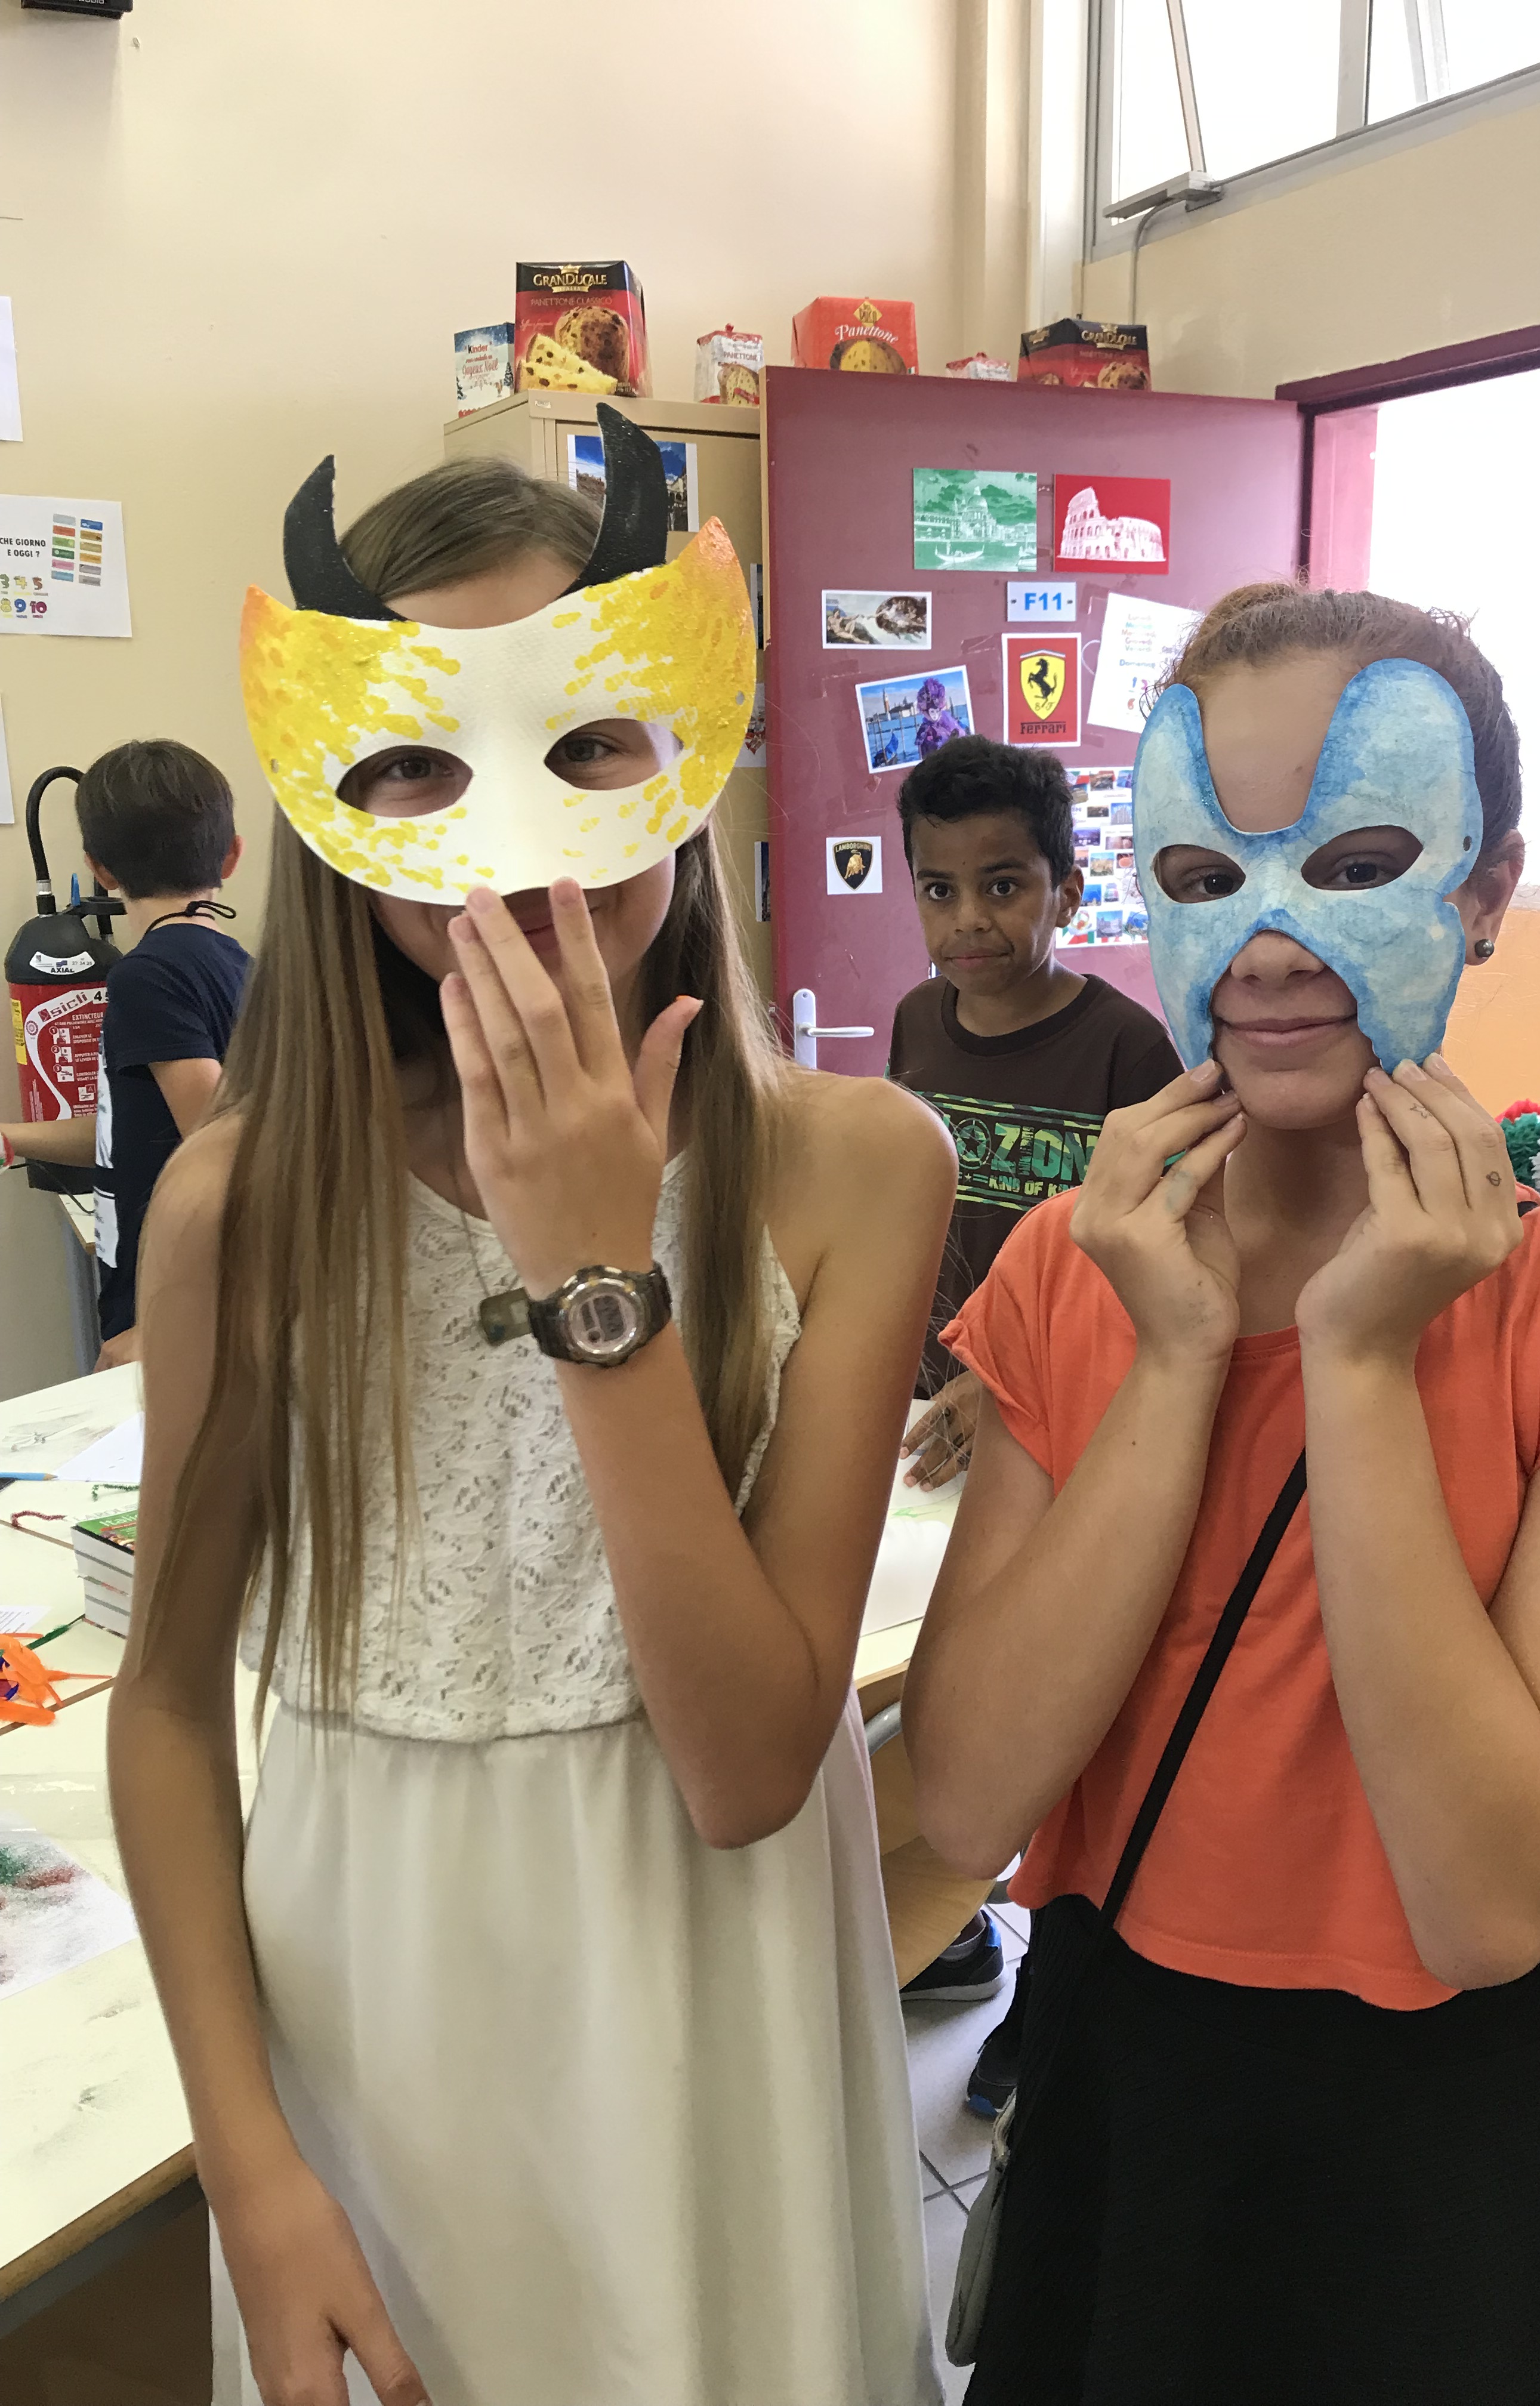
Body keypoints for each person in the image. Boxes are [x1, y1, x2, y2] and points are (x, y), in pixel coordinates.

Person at [108, 434, 953, 2406]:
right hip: (371, 2022)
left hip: (707, 2003)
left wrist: (596, 1280)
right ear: (333, 803)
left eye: (583, 745)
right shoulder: (247, 1202)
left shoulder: (853, 1165)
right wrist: (249, 2170)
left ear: (683, 749)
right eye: (415, 762)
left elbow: (749, 1765)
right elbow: (165, 1707)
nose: (507, 829)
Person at [903, 583, 1540, 2405]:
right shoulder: (1074, 1270)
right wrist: (1174, 1354)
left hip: (1459, 2159)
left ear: (1488, 889)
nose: (1274, 941)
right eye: (1208, 877)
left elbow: (1486, 1907)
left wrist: (1360, 1364)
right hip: (1130, 2107)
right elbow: (962, 1795)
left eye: (1358, 862)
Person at [885, 734, 1180, 2098]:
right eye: (939, 889)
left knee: (1063, 1728)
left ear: (1067, 888)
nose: (970, 922)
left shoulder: (1129, 1049)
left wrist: (1004, 1383)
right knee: (939, 1692)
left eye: (1003, 886)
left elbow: (1157, 1272)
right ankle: (951, 1934)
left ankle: (1047, 2001)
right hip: (936, 1433)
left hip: (1066, 1438)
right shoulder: (914, 1024)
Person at [1, 738, 248, 1368]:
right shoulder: (239, 967)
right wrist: (12, 1138)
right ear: (232, 855)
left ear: (100, 869)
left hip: (171, 1312)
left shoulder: (147, 977)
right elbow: (133, 1131)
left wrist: (163, 1329)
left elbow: (228, 1161)